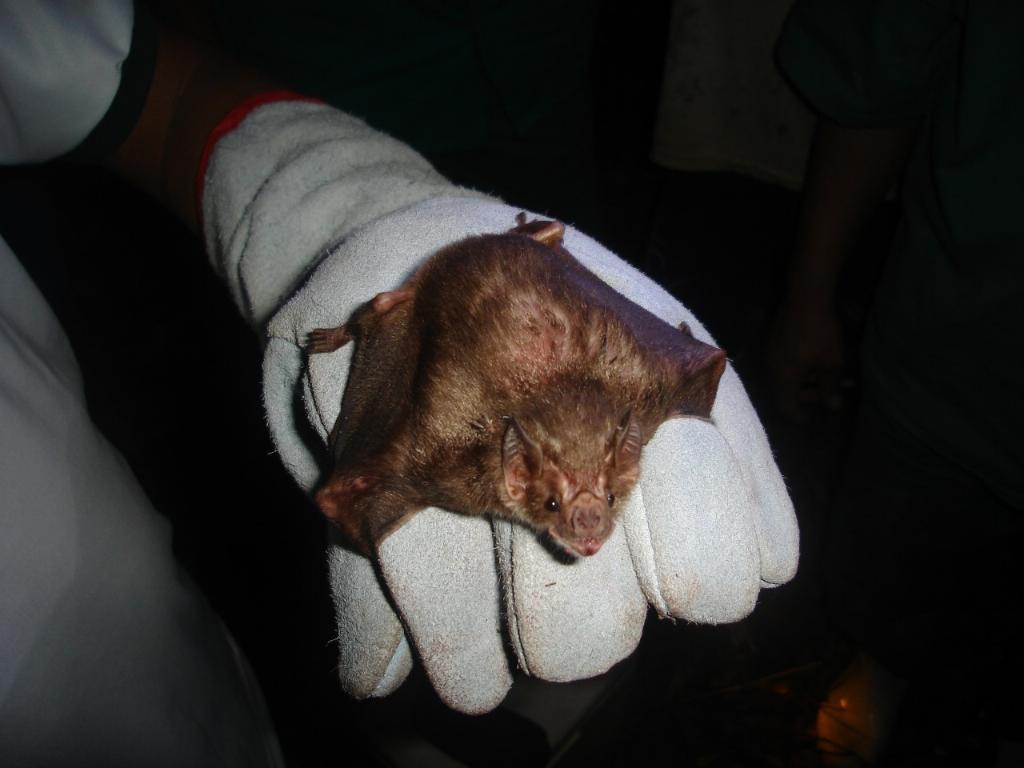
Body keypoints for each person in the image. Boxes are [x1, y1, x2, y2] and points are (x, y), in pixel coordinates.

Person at [2, 1, 800, 763]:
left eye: (598, 503)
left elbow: (141, 86)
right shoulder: (458, 449)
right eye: (560, 506)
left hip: (183, 666)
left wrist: (297, 179)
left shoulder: (625, 402)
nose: (588, 533)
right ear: (518, 479)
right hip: (448, 308)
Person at [771, 1, 1024, 763]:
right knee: (889, 586)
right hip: (948, 349)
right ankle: (879, 677)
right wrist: (808, 296)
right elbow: (876, 72)